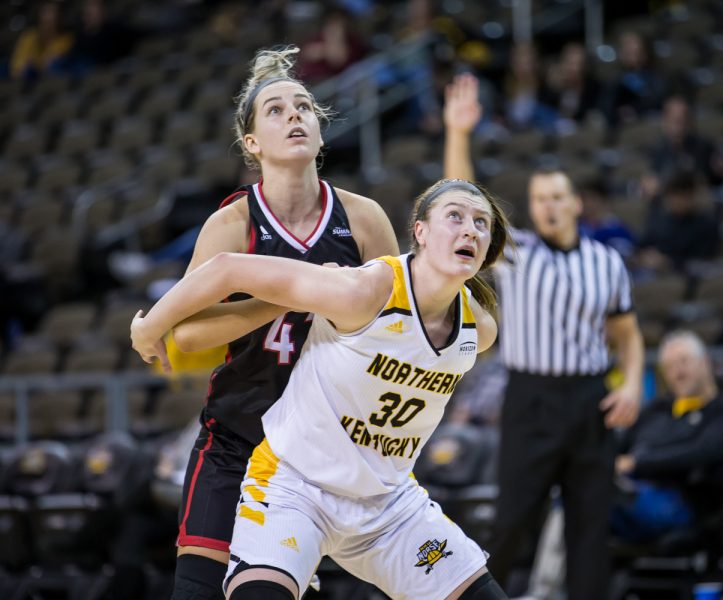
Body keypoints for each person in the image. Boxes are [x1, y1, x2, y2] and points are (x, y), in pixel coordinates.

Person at [132, 178, 511, 599]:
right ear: (420, 231)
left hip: (388, 503)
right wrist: (151, 326)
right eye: (455, 216)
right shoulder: (363, 291)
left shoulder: (481, 330)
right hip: (295, 488)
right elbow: (227, 268)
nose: (470, 230)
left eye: (481, 223)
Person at [140, 46, 399, 600]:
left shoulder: (364, 219)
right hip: (239, 434)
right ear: (252, 144)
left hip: (328, 448)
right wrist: (282, 297)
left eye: (304, 107)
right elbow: (184, 336)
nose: (295, 116)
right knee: (198, 592)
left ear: (322, 134)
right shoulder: (231, 225)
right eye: (276, 110)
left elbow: (395, 328)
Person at [444, 73, 645, 599]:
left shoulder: (608, 263)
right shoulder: (516, 254)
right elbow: (464, 201)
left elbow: (627, 333)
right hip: (531, 397)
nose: (549, 206)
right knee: (511, 521)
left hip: (589, 400)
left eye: (557, 196)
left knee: (589, 530)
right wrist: (459, 134)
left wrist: (631, 384)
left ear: (576, 203)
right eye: (539, 199)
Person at [613, 330, 723, 541]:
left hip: (684, 501)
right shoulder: (657, 408)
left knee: (599, 496)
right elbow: (621, 443)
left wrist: (638, 462)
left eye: (684, 362)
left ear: (705, 362)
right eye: (670, 367)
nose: (678, 372)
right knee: (580, 491)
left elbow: (703, 451)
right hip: (630, 491)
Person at [636, 169, 721, 273]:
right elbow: (644, 243)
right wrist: (642, 256)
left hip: (683, 278)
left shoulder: (707, 225)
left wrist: (668, 262)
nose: (674, 201)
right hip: (650, 271)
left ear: (692, 196)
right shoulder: (661, 217)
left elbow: (702, 261)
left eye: (681, 196)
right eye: (671, 196)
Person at [9, 2, 73, 81]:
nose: (50, 18)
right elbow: (17, 64)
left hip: (47, 77)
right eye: (46, 13)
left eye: (54, 14)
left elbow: (48, 63)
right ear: (40, 15)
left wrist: (35, 63)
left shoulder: (65, 39)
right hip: (25, 77)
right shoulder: (29, 36)